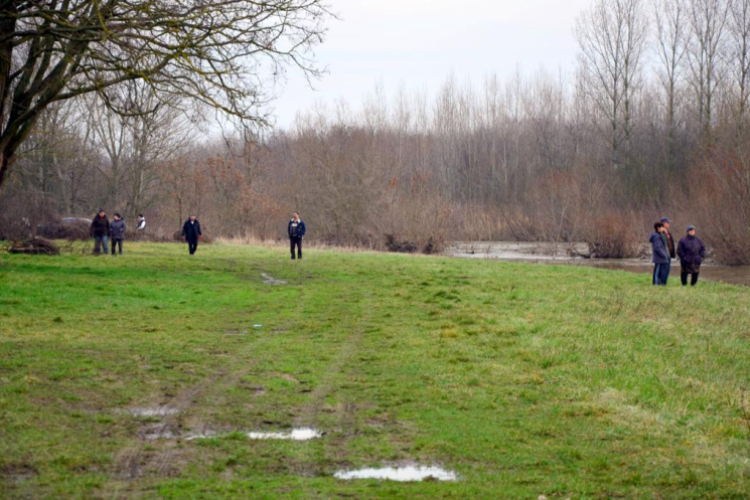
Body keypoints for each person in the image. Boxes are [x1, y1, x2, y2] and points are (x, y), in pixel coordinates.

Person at [650, 221, 669, 286]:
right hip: (659, 258)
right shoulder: (656, 236)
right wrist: (664, 255)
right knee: (657, 272)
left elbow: (666, 242)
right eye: (662, 227)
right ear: (658, 228)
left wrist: (665, 233)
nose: (663, 228)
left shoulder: (659, 235)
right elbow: (657, 248)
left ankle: (658, 284)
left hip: (660, 258)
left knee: (660, 272)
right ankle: (655, 284)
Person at [660, 217, 676, 284]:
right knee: (663, 270)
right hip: (664, 255)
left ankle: (664, 284)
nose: (669, 224)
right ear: (663, 223)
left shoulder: (668, 232)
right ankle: (661, 284)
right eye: (667, 223)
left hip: (668, 255)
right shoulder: (660, 232)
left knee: (667, 270)